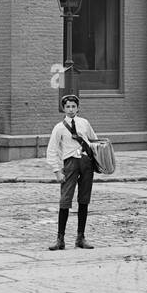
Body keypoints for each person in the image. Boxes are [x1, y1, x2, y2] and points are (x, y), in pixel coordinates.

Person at [46, 94, 99, 251]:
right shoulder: (59, 128)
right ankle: (60, 239)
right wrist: (57, 171)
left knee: (84, 200)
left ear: (78, 108)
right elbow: (52, 149)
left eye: (73, 106)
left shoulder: (84, 123)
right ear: (63, 108)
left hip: (85, 163)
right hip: (69, 164)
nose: (70, 109)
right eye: (67, 107)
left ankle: (80, 238)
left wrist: (98, 159)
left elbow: (94, 141)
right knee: (65, 200)